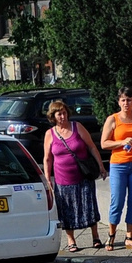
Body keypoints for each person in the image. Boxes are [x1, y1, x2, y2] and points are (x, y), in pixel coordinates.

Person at [43, 99, 104, 252]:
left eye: (64, 113)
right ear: (53, 116)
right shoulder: (49, 134)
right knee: (67, 210)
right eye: (59, 114)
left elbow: (91, 147)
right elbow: (47, 158)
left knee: (88, 206)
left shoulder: (77, 127)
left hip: (83, 176)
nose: (62, 116)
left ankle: (95, 236)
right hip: (63, 180)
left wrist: (101, 166)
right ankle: (71, 240)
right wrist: (47, 178)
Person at [99, 86, 132, 250]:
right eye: (123, 100)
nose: (126, 103)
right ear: (119, 102)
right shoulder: (113, 119)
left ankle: (130, 237)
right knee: (117, 201)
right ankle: (111, 235)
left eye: (129, 100)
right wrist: (122, 142)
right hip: (118, 165)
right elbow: (103, 143)